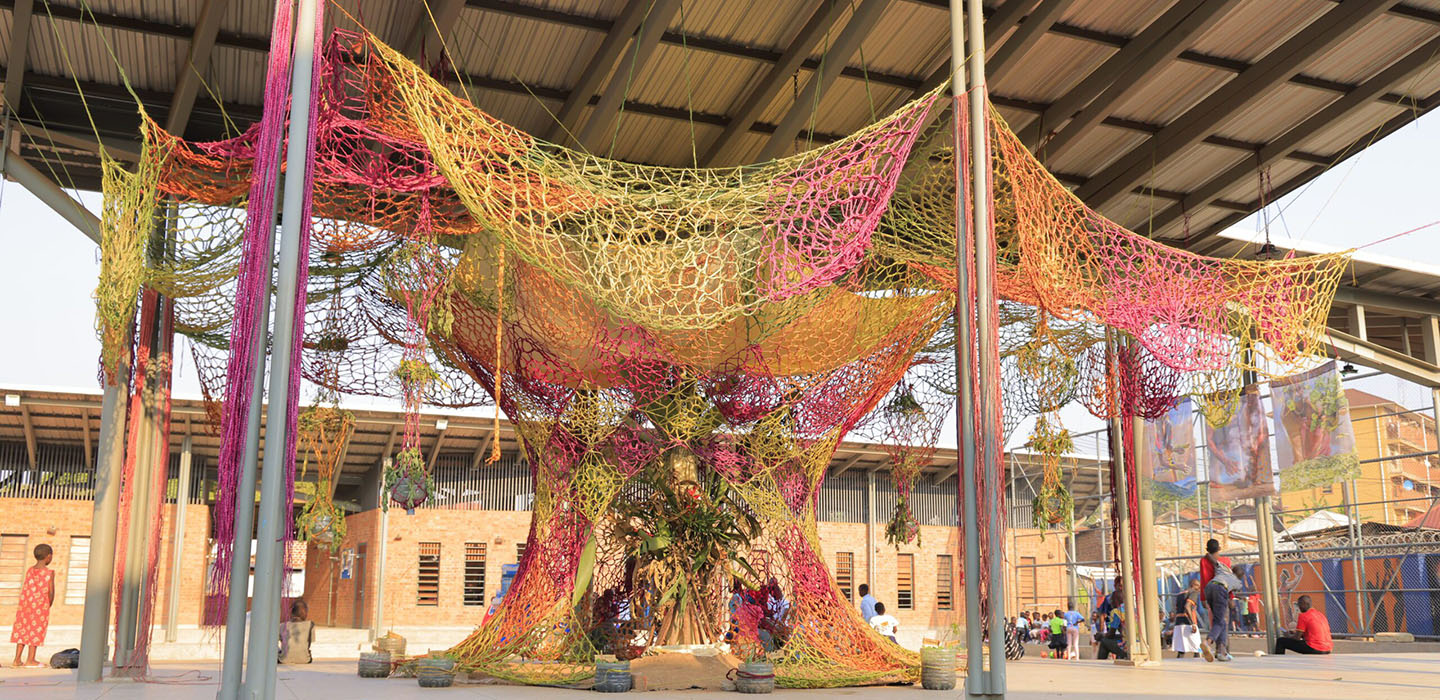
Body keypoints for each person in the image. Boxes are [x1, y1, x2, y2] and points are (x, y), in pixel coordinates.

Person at [10, 544, 54, 668]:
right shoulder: (49, 573)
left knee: (22, 629)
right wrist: (48, 604)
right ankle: (31, 660)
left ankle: (17, 659)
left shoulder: (30, 570)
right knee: (35, 631)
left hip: (25, 605)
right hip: (40, 606)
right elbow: (51, 592)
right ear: (48, 557)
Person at [1200, 539, 1242, 662]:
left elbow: (1203, 578)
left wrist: (1203, 598)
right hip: (1221, 591)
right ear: (1219, 549)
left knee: (1218, 620)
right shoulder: (1226, 561)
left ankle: (1220, 652)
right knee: (1222, 621)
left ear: (1207, 549)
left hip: (1209, 589)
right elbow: (1230, 583)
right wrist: (1231, 598)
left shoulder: (1203, 560)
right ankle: (1212, 644)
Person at [1171, 578, 1203, 658]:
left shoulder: (1180, 594)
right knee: (1198, 649)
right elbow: (1187, 606)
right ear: (1193, 585)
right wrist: (1193, 624)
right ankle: (1198, 668)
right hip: (1188, 623)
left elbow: (1176, 608)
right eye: (1198, 586)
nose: (1199, 589)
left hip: (1178, 624)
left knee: (1181, 651)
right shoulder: (1193, 593)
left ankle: (1178, 668)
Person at [278, 599, 315, 664]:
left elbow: (279, 640)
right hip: (305, 660)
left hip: (283, 660)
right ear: (305, 612)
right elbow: (309, 642)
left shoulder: (282, 626)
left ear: (291, 612)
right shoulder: (310, 625)